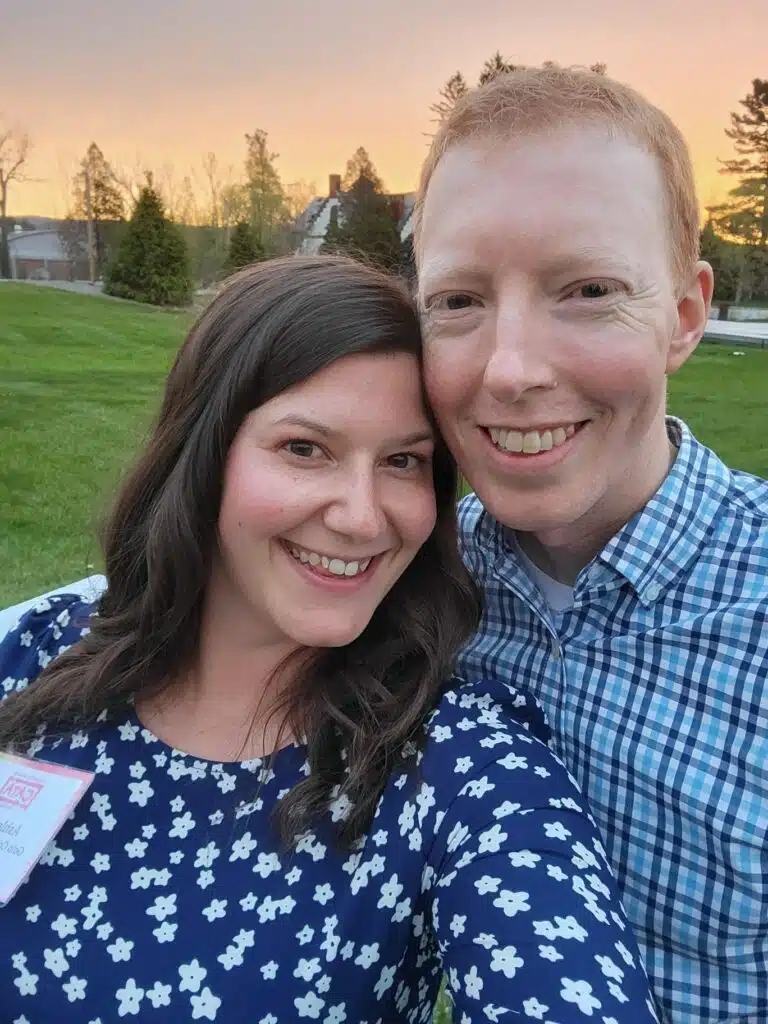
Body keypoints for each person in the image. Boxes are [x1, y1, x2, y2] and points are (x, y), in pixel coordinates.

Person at [0, 256, 659, 1023]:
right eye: (305, 449)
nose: (360, 516)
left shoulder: (455, 762)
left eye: (403, 462)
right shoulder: (35, 654)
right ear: (205, 455)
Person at [414, 66, 768, 1024]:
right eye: (457, 301)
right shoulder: (407, 576)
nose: (512, 369)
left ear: (685, 317)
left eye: (588, 290)